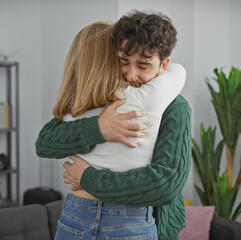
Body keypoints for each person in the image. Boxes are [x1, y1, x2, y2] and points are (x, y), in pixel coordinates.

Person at [35, 10, 191, 240]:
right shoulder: (98, 98)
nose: (131, 75)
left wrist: (87, 178)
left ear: (163, 65)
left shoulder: (175, 107)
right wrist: (98, 128)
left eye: (144, 66)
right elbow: (45, 143)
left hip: (145, 221)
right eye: (123, 62)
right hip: (81, 214)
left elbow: (165, 184)